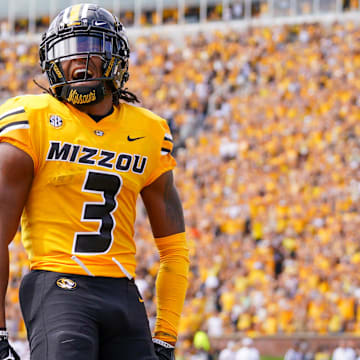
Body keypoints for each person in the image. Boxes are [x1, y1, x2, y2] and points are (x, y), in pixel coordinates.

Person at [0, 3, 189, 360]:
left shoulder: (148, 130)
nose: (79, 60)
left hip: (123, 292)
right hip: (57, 283)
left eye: (92, 47)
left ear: (116, 58)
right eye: (68, 50)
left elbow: (175, 250)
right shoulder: (31, 119)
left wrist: (165, 336)